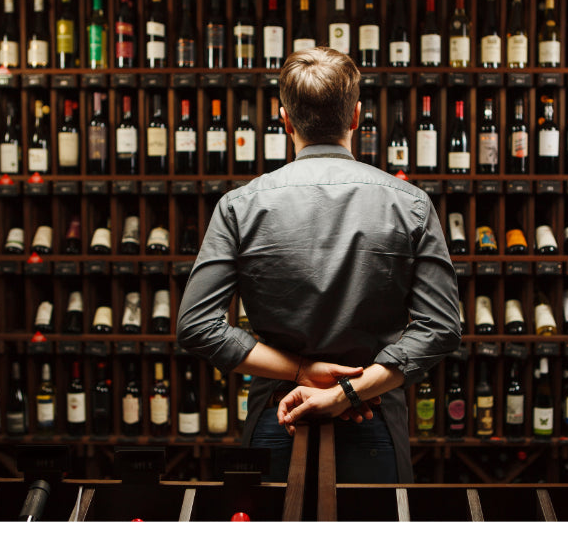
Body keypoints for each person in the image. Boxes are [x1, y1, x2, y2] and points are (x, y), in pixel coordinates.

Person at [176, 46, 461, 483]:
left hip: (279, 412)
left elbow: (197, 326)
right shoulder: (411, 205)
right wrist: (349, 392)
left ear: (285, 120)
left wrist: (300, 372)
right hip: (374, 415)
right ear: (356, 117)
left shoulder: (240, 206)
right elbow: (440, 328)